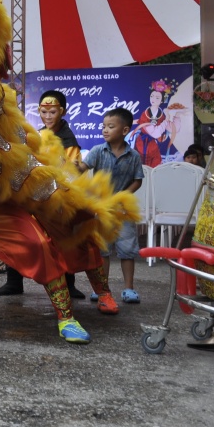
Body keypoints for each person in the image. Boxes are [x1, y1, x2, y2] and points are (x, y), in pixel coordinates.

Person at [0, 90, 85, 298]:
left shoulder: (69, 140)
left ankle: (69, 285)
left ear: (62, 111)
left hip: (58, 196)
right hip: (33, 193)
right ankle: (13, 281)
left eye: (52, 112)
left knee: (63, 239)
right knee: (17, 233)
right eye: (44, 112)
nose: (48, 116)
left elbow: (71, 171)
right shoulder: (36, 135)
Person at [77, 107, 145, 304]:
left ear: (124, 131)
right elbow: (83, 167)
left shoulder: (133, 156)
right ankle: (102, 289)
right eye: (103, 126)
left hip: (123, 211)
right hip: (101, 210)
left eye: (110, 126)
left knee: (127, 250)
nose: (105, 130)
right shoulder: (98, 151)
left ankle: (129, 289)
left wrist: (124, 195)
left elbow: (137, 180)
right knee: (103, 251)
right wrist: (76, 166)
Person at [132, 79, 184, 167]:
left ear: (162, 100)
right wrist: (166, 120)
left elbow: (173, 129)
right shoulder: (145, 114)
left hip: (153, 146)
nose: (153, 99)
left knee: (154, 169)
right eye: (152, 96)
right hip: (141, 145)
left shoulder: (162, 115)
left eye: (157, 97)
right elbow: (155, 133)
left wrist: (177, 116)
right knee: (139, 168)